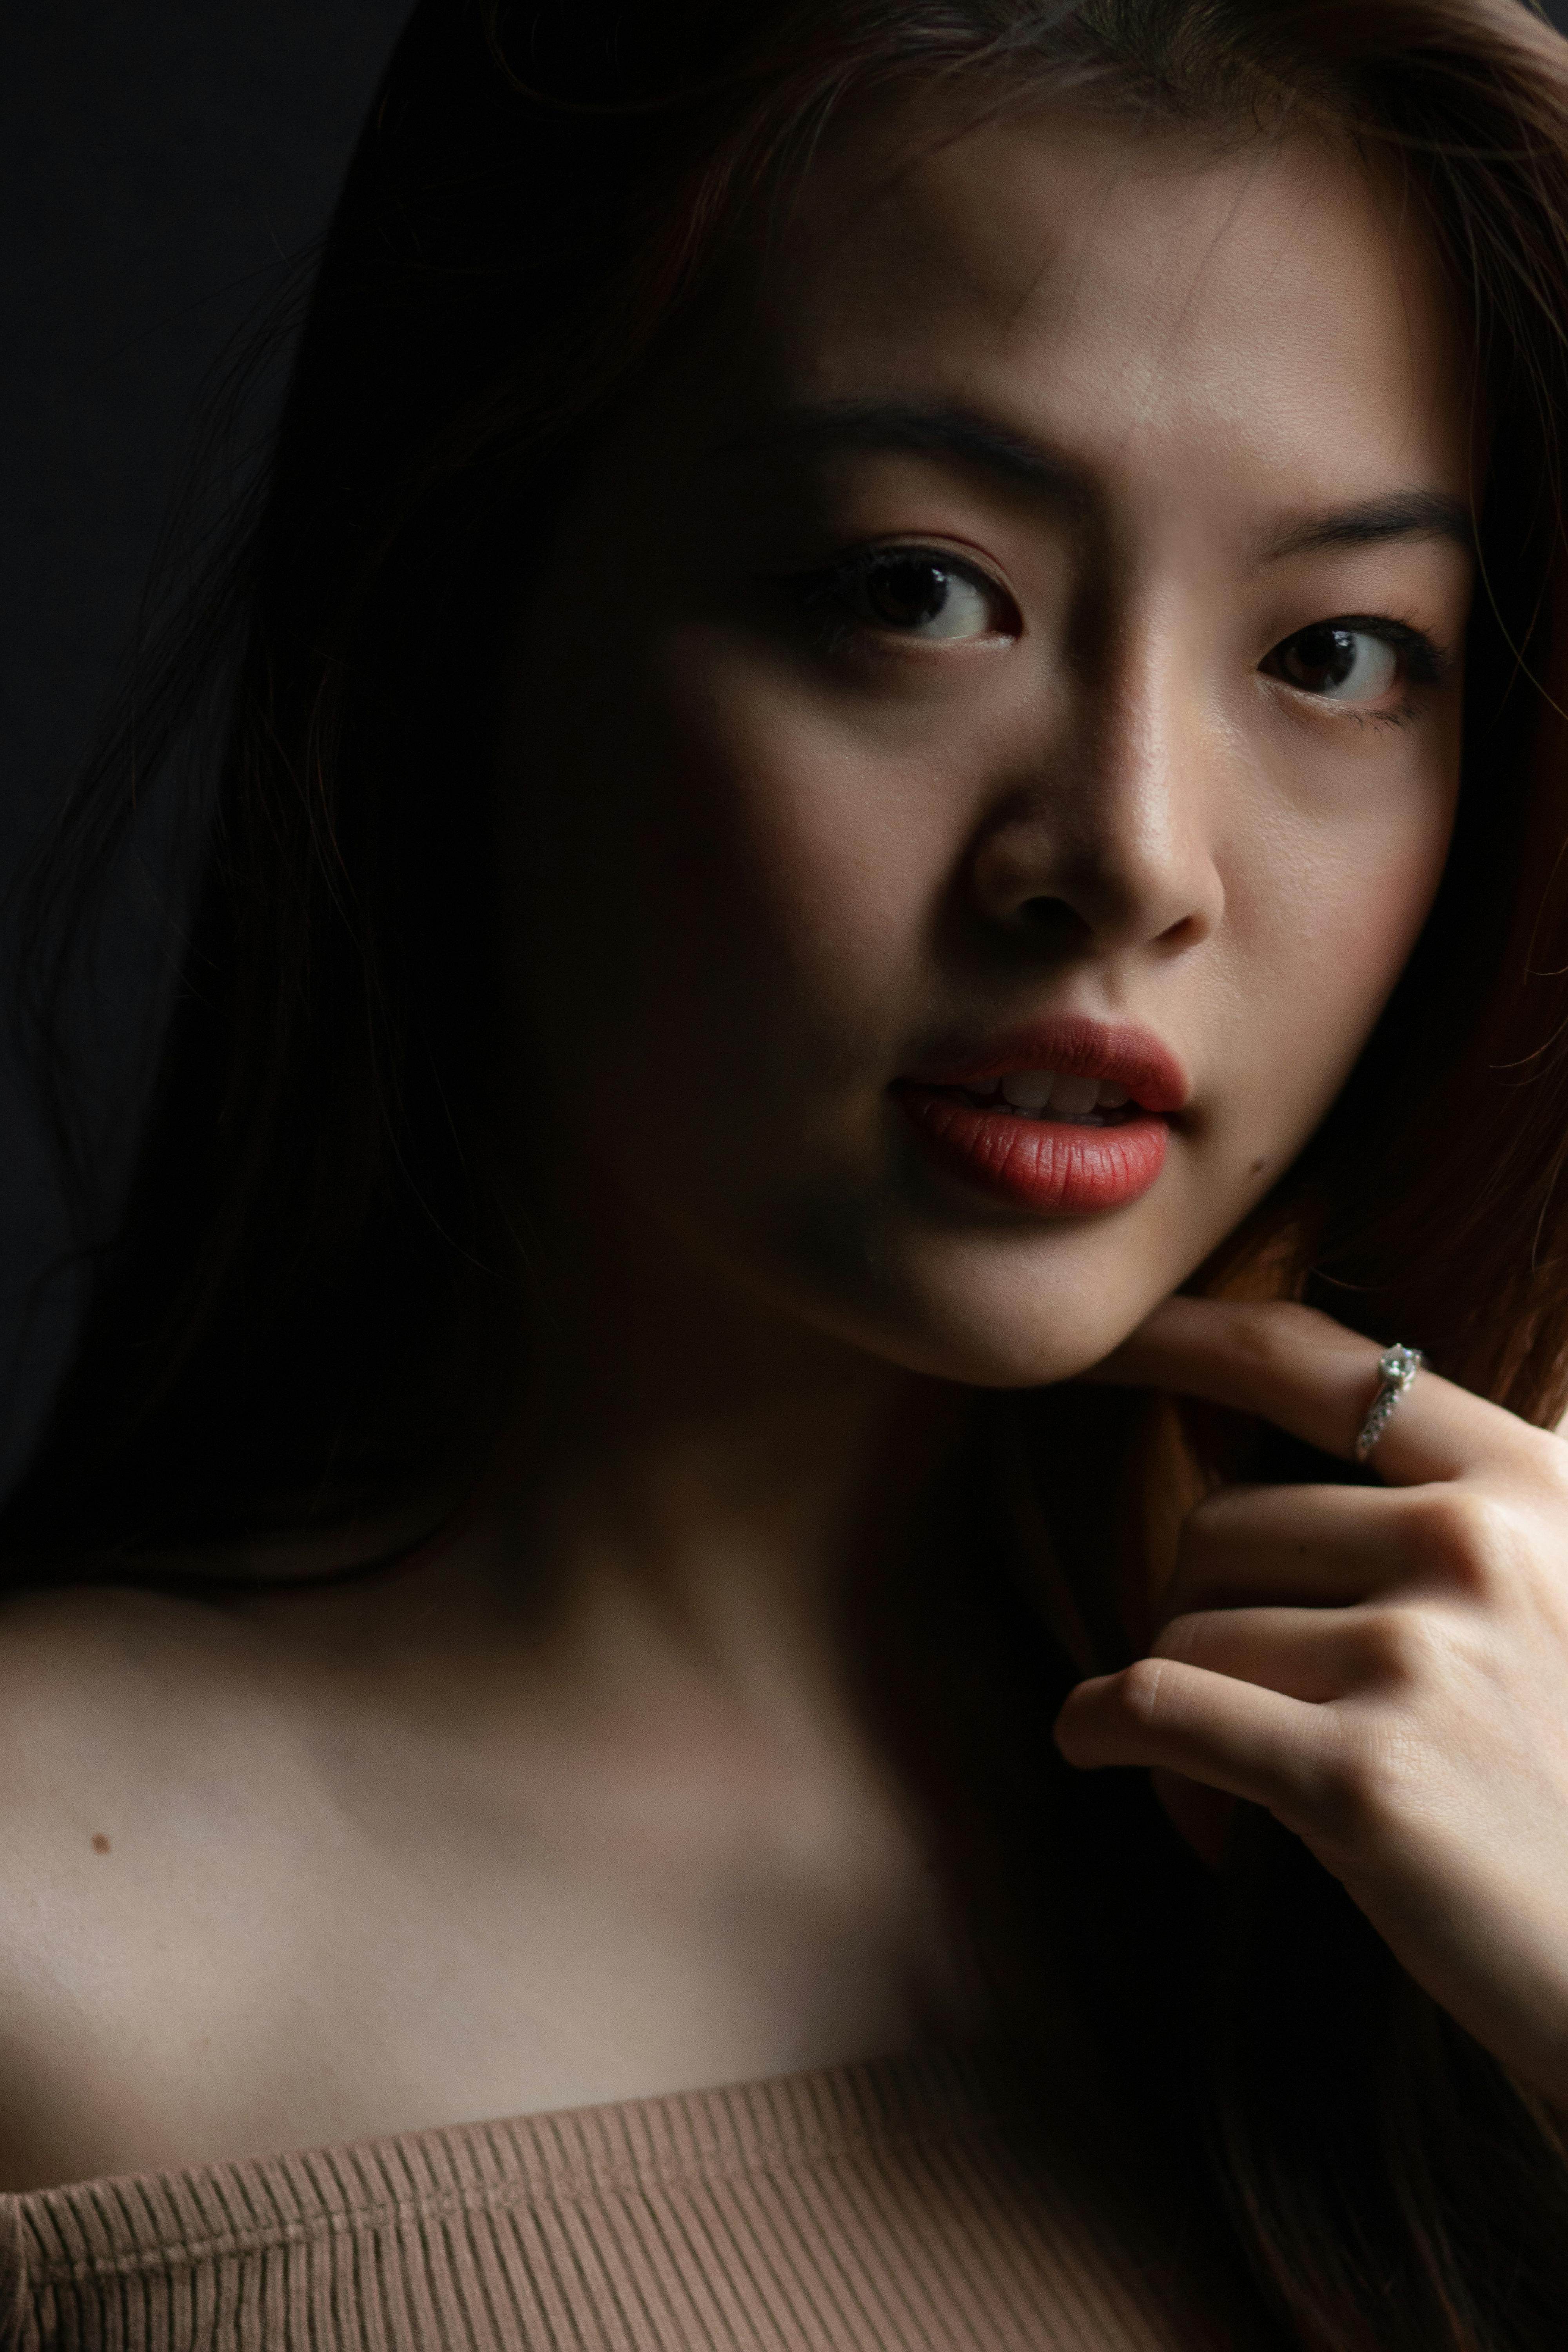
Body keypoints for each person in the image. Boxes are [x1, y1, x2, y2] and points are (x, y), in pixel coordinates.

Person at [6, 0, 1568, 2343]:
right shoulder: (52, 1931)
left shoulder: (1462, 1810)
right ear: (473, 615)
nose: (1132, 857)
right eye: (915, 591)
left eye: (1339, 650)